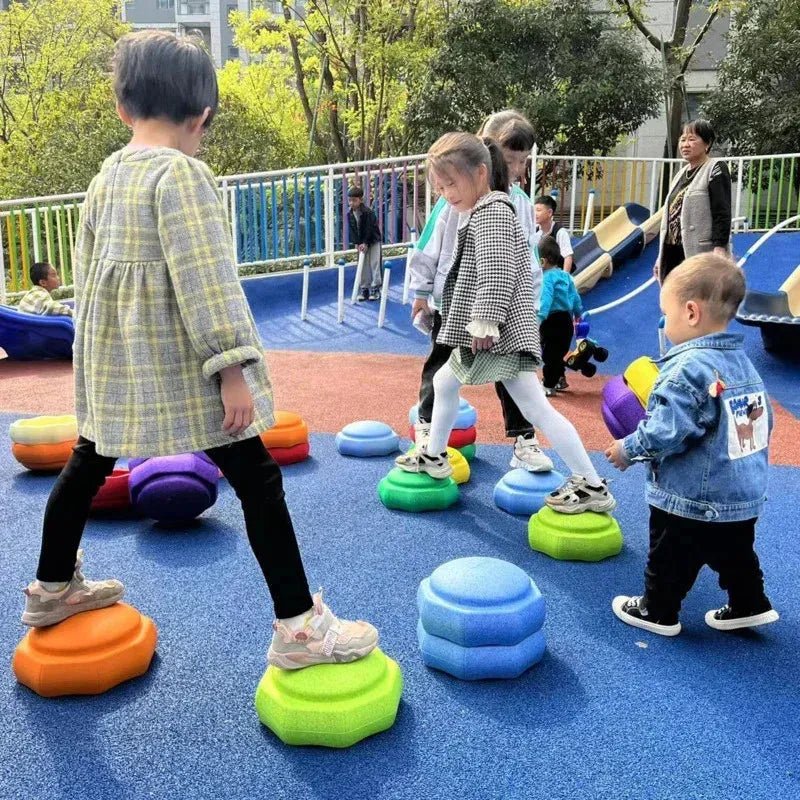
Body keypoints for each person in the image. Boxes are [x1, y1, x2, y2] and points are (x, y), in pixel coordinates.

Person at [20, 30, 378, 672]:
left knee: (87, 464)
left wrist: (93, 364)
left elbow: (89, 276)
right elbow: (206, 279)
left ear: (122, 109)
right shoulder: (183, 175)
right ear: (202, 116)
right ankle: (298, 628)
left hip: (118, 364)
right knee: (260, 481)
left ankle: (51, 589)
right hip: (183, 367)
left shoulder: (107, 175)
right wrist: (231, 367)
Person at [396, 132, 615, 515]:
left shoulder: (493, 211)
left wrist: (484, 321)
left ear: (480, 173)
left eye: (452, 184)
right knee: (447, 382)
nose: (446, 194)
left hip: (498, 335)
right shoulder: (482, 210)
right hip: (496, 333)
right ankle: (434, 455)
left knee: (536, 409)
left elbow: (498, 272)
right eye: (440, 187)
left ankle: (590, 482)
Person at [606, 254, 778, 636]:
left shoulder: (686, 368)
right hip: (741, 494)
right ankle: (749, 603)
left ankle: (657, 610)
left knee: (669, 555)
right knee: (735, 554)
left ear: (690, 312)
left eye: (665, 315)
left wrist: (628, 449)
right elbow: (766, 419)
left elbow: (668, 430)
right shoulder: (743, 363)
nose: (664, 324)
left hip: (691, 498)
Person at [409, 110, 553, 473]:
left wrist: (531, 305)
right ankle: (427, 433)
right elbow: (429, 245)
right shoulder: (452, 197)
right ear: (483, 160)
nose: (516, 169)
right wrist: (421, 291)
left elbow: (528, 258)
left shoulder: (519, 202)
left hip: (499, 311)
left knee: (512, 377)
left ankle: (524, 439)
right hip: (455, 305)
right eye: (509, 159)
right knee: (440, 368)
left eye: (522, 161)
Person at [655, 119, 732, 284]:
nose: (685, 144)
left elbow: (722, 212)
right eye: (683, 140)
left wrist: (719, 248)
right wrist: (660, 257)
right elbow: (670, 217)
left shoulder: (715, 168)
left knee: (698, 299)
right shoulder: (681, 173)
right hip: (672, 251)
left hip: (699, 251)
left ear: (707, 143)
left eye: (692, 139)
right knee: (673, 301)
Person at [537, 235, 582, 396]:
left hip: (551, 321)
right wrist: (578, 314)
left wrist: (539, 319)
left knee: (549, 354)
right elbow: (575, 297)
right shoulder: (566, 276)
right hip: (566, 320)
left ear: (543, 261)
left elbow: (545, 300)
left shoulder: (546, 278)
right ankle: (558, 379)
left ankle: (549, 384)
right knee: (558, 352)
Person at [347, 185, 383, 301]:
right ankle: (364, 288)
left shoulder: (368, 212)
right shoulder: (350, 214)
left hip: (372, 240)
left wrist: (366, 243)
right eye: (350, 200)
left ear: (360, 200)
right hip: (362, 242)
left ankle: (375, 287)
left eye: (354, 200)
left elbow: (370, 229)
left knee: (375, 262)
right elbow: (352, 230)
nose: (352, 203)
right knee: (362, 265)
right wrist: (357, 243)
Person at [533, 195, 574, 274]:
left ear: (549, 213)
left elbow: (568, 257)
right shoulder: (534, 231)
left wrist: (564, 279)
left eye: (538, 210)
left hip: (556, 275)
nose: (535, 213)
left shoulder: (560, 232)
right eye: (534, 210)